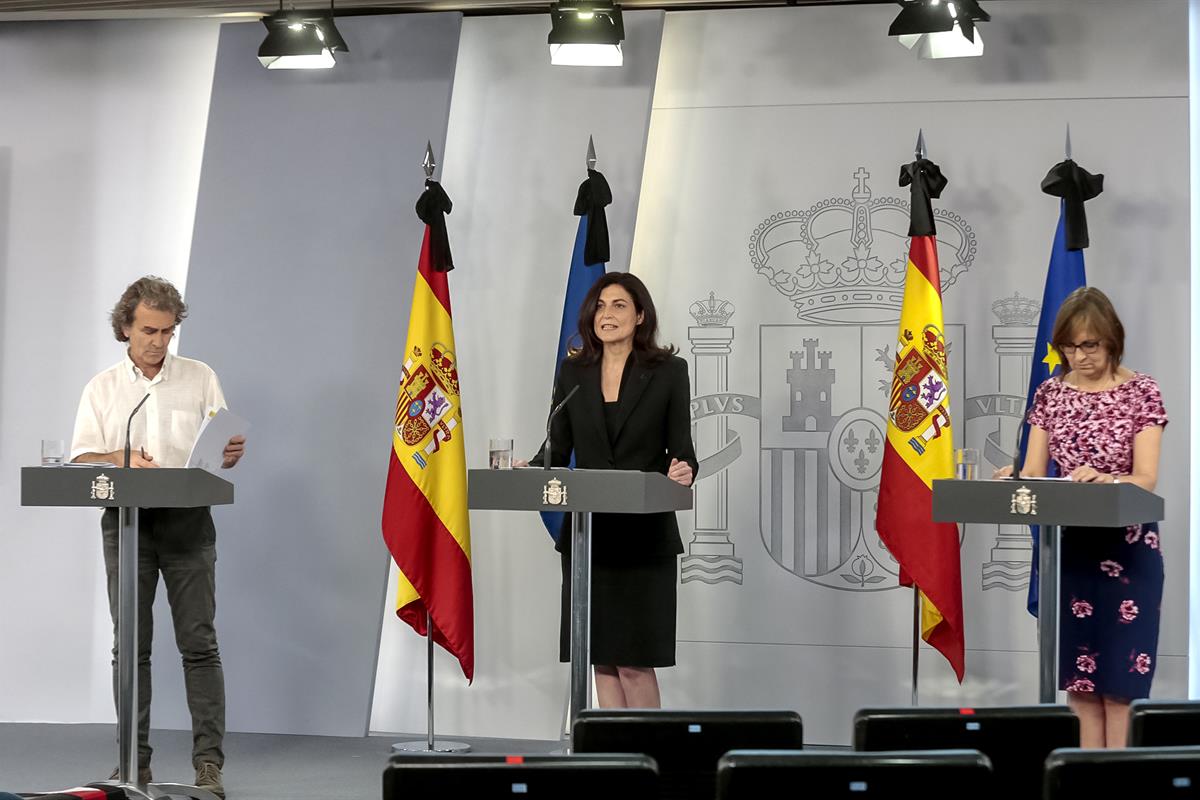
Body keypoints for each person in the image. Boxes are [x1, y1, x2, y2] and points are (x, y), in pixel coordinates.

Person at [70, 276, 245, 796]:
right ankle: (133, 764)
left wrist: (230, 454)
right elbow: (80, 457)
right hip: (127, 523)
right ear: (125, 326)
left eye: (168, 332)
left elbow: (220, 445)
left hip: (188, 523)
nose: (159, 342)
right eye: (149, 330)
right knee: (131, 648)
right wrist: (115, 458)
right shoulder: (103, 388)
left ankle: (208, 765)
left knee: (199, 644)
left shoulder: (200, 377)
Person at [994, 286, 1166, 748]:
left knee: (1120, 689)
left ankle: (1121, 784)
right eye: (1068, 347)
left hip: (1128, 553)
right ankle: (1086, 784)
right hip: (1073, 551)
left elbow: (1145, 478)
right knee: (1083, 687)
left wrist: (1108, 478)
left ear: (1112, 340)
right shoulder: (1050, 392)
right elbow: (1034, 471)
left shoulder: (1141, 392)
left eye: (1088, 345)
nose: (1077, 356)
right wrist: (1016, 474)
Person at [524, 272, 697, 708]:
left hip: (643, 537)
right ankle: (617, 761)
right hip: (590, 539)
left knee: (635, 662)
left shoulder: (669, 372)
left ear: (640, 316)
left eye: (619, 305)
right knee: (601, 658)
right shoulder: (574, 372)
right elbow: (557, 447)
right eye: (600, 306)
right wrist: (525, 469)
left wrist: (683, 470)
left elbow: (683, 451)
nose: (607, 314)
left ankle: (651, 763)